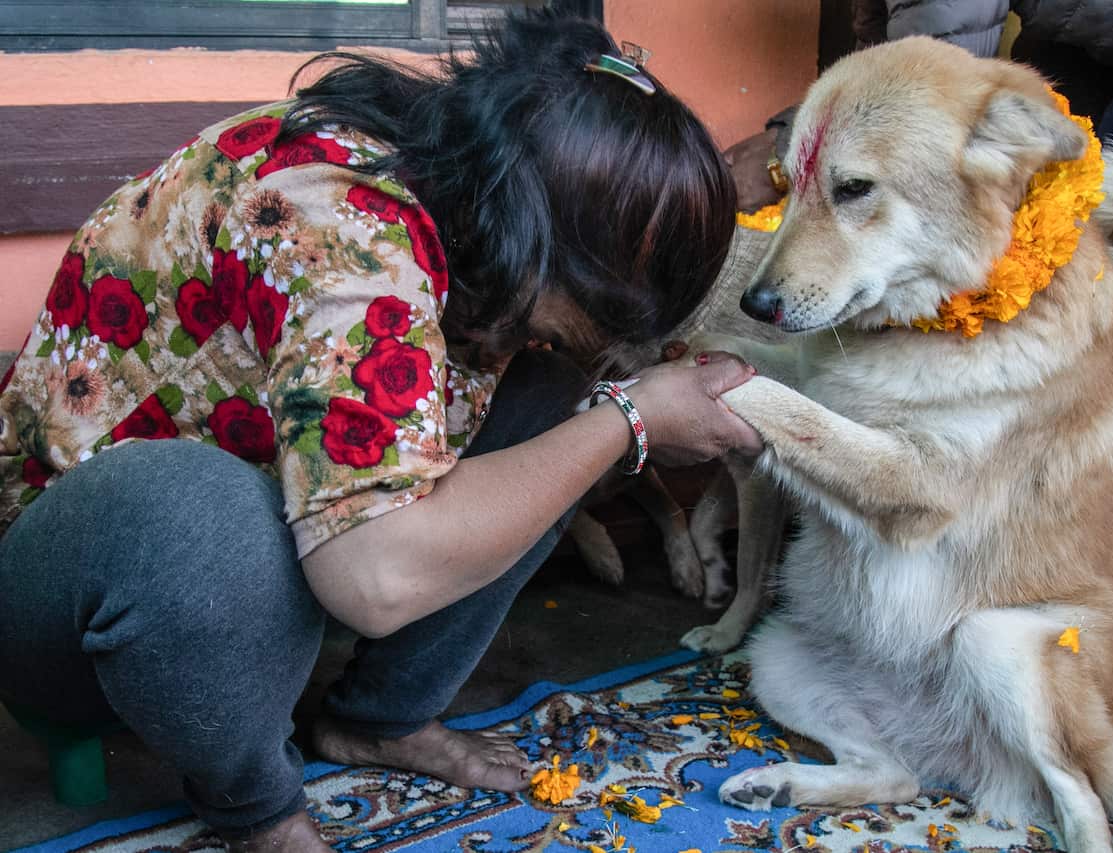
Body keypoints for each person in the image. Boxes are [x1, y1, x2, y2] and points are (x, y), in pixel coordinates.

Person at [0, 11, 760, 851]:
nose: (593, 339)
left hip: (259, 561)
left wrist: (615, 399)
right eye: (589, 305)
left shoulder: (462, 190)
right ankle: (258, 808)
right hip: (66, 603)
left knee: (566, 391)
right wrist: (633, 419)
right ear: (531, 233)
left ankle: (381, 718)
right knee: (200, 508)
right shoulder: (345, 235)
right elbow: (373, 579)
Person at [730, 0, 1113, 308]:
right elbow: (885, 50)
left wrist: (785, 151)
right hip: (1086, 20)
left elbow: (933, 70)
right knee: (1030, 249)